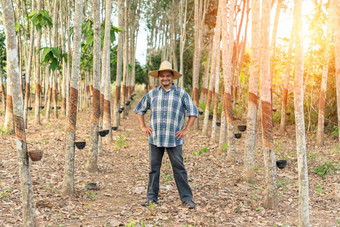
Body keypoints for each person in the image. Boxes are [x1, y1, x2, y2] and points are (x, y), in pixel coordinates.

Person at [134, 61, 198, 209]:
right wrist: (143, 126)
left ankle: (187, 199)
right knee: (154, 168)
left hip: (174, 138)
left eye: (168, 76)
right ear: (158, 78)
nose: (165, 78)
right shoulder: (152, 94)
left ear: (172, 77)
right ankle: (151, 198)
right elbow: (139, 109)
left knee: (179, 168)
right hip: (155, 138)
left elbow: (193, 112)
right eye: (162, 76)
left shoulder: (181, 93)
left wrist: (186, 129)